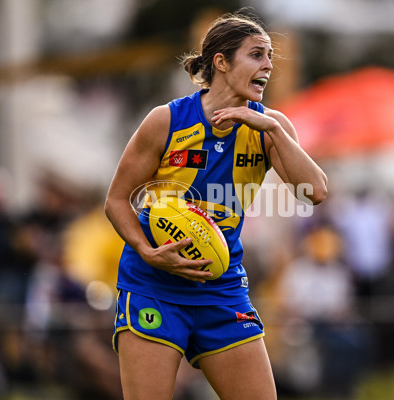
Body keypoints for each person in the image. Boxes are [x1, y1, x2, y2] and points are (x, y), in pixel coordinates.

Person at [104, 11, 328, 400]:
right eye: (257, 55)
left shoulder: (270, 127)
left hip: (220, 287)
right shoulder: (166, 121)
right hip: (153, 285)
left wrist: (274, 130)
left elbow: (316, 192)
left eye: (271, 56)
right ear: (221, 63)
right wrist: (149, 251)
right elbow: (116, 199)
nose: (269, 65)